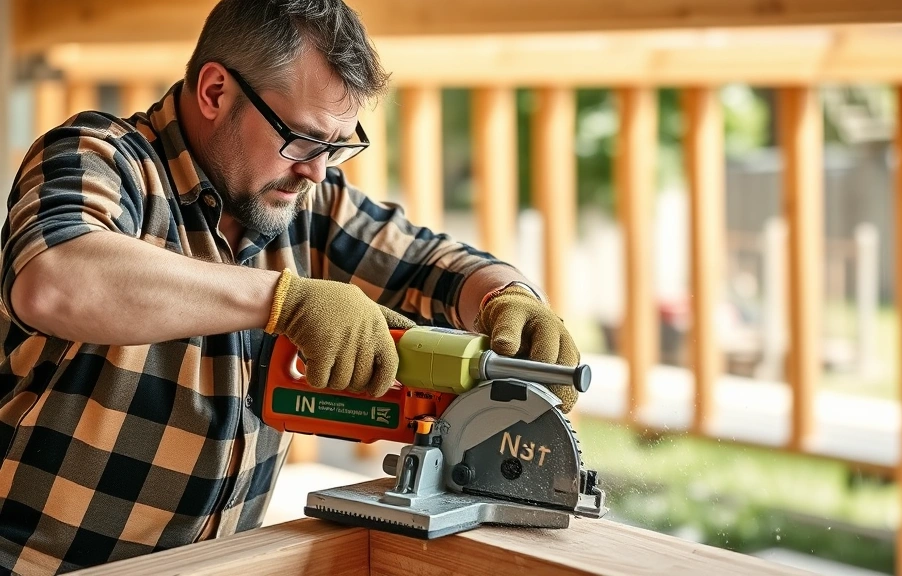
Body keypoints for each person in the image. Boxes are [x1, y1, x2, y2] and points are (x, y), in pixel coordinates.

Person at [0, 1, 582, 573]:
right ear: (214, 91)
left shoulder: (302, 197)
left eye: (337, 144)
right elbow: (55, 280)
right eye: (302, 139)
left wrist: (510, 301)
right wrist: (283, 301)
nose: (318, 170)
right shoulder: (101, 156)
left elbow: (432, 263)